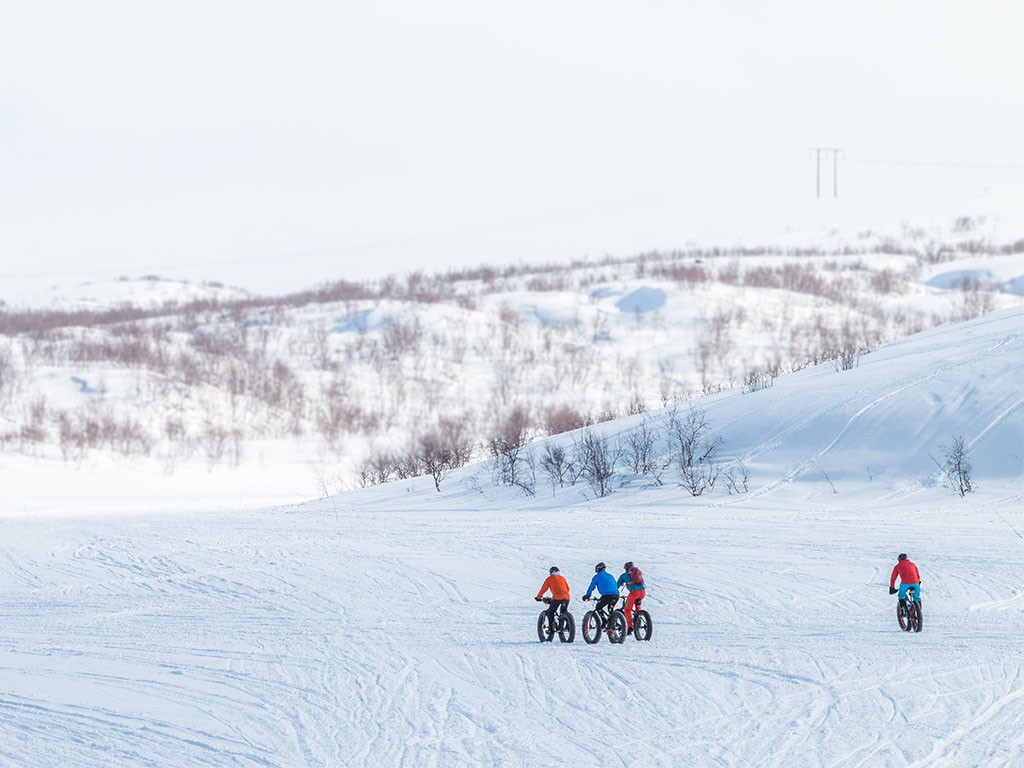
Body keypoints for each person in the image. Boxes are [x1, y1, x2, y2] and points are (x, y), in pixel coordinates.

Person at [583, 562, 619, 632]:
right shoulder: (610, 575)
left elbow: (591, 587)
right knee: (610, 608)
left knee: (598, 607)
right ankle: (612, 624)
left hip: (607, 596)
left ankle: (604, 621)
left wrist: (587, 595)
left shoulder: (597, 577)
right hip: (616, 595)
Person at [535, 566, 570, 638]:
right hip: (566, 597)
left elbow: (543, 589)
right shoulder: (562, 578)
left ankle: (551, 629)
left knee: (551, 612)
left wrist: (539, 597)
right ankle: (566, 626)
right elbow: (567, 588)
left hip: (557, 597)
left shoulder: (549, 579)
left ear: (551, 572)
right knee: (563, 611)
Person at [617, 561, 646, 632]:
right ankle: (638, 620)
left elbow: (616, 585)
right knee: (638, 606)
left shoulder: (624, 575)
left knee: (627, 609)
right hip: (643, 592)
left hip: (634, 593)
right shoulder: (638, 573)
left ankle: (629, 627)